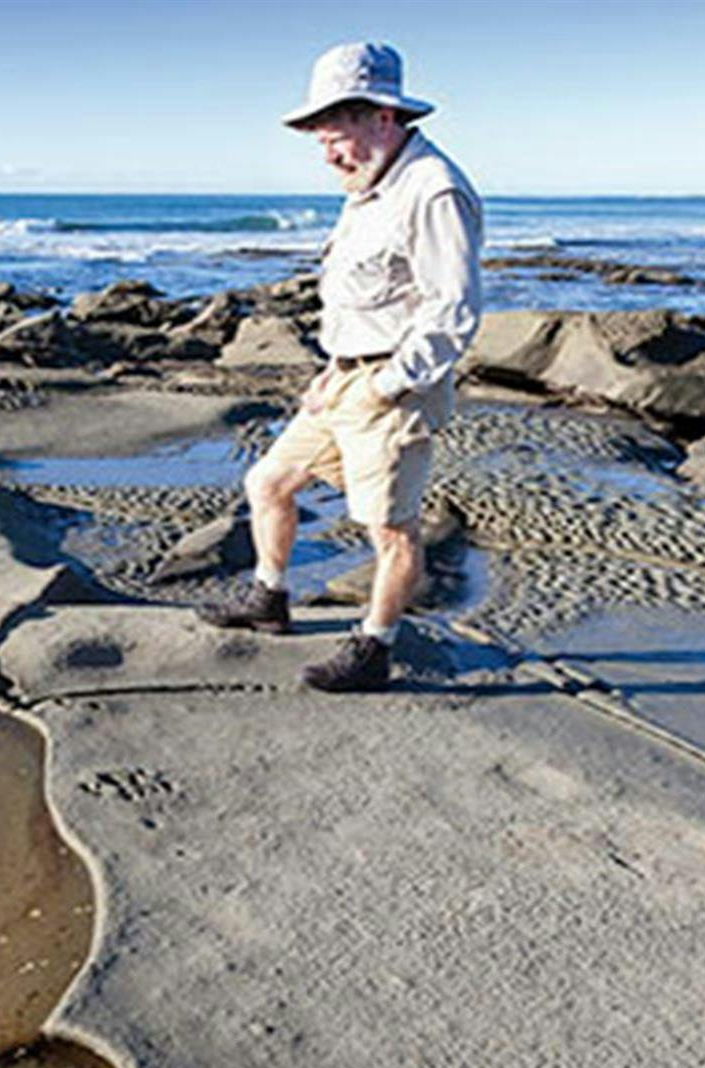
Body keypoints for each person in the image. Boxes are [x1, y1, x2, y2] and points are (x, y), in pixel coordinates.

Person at [198, 40, 483, 693]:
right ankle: (269, 599)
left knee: (392, 530)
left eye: (335, 136)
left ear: (383, 115)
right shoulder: (369, 182)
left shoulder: (432, 189)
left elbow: (454, 308)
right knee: (269, 482)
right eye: (320, 140)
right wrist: (335, 368)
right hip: (344, 376)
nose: (327, 153)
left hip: (392, 385)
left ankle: (374, 647)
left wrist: (388, 383)